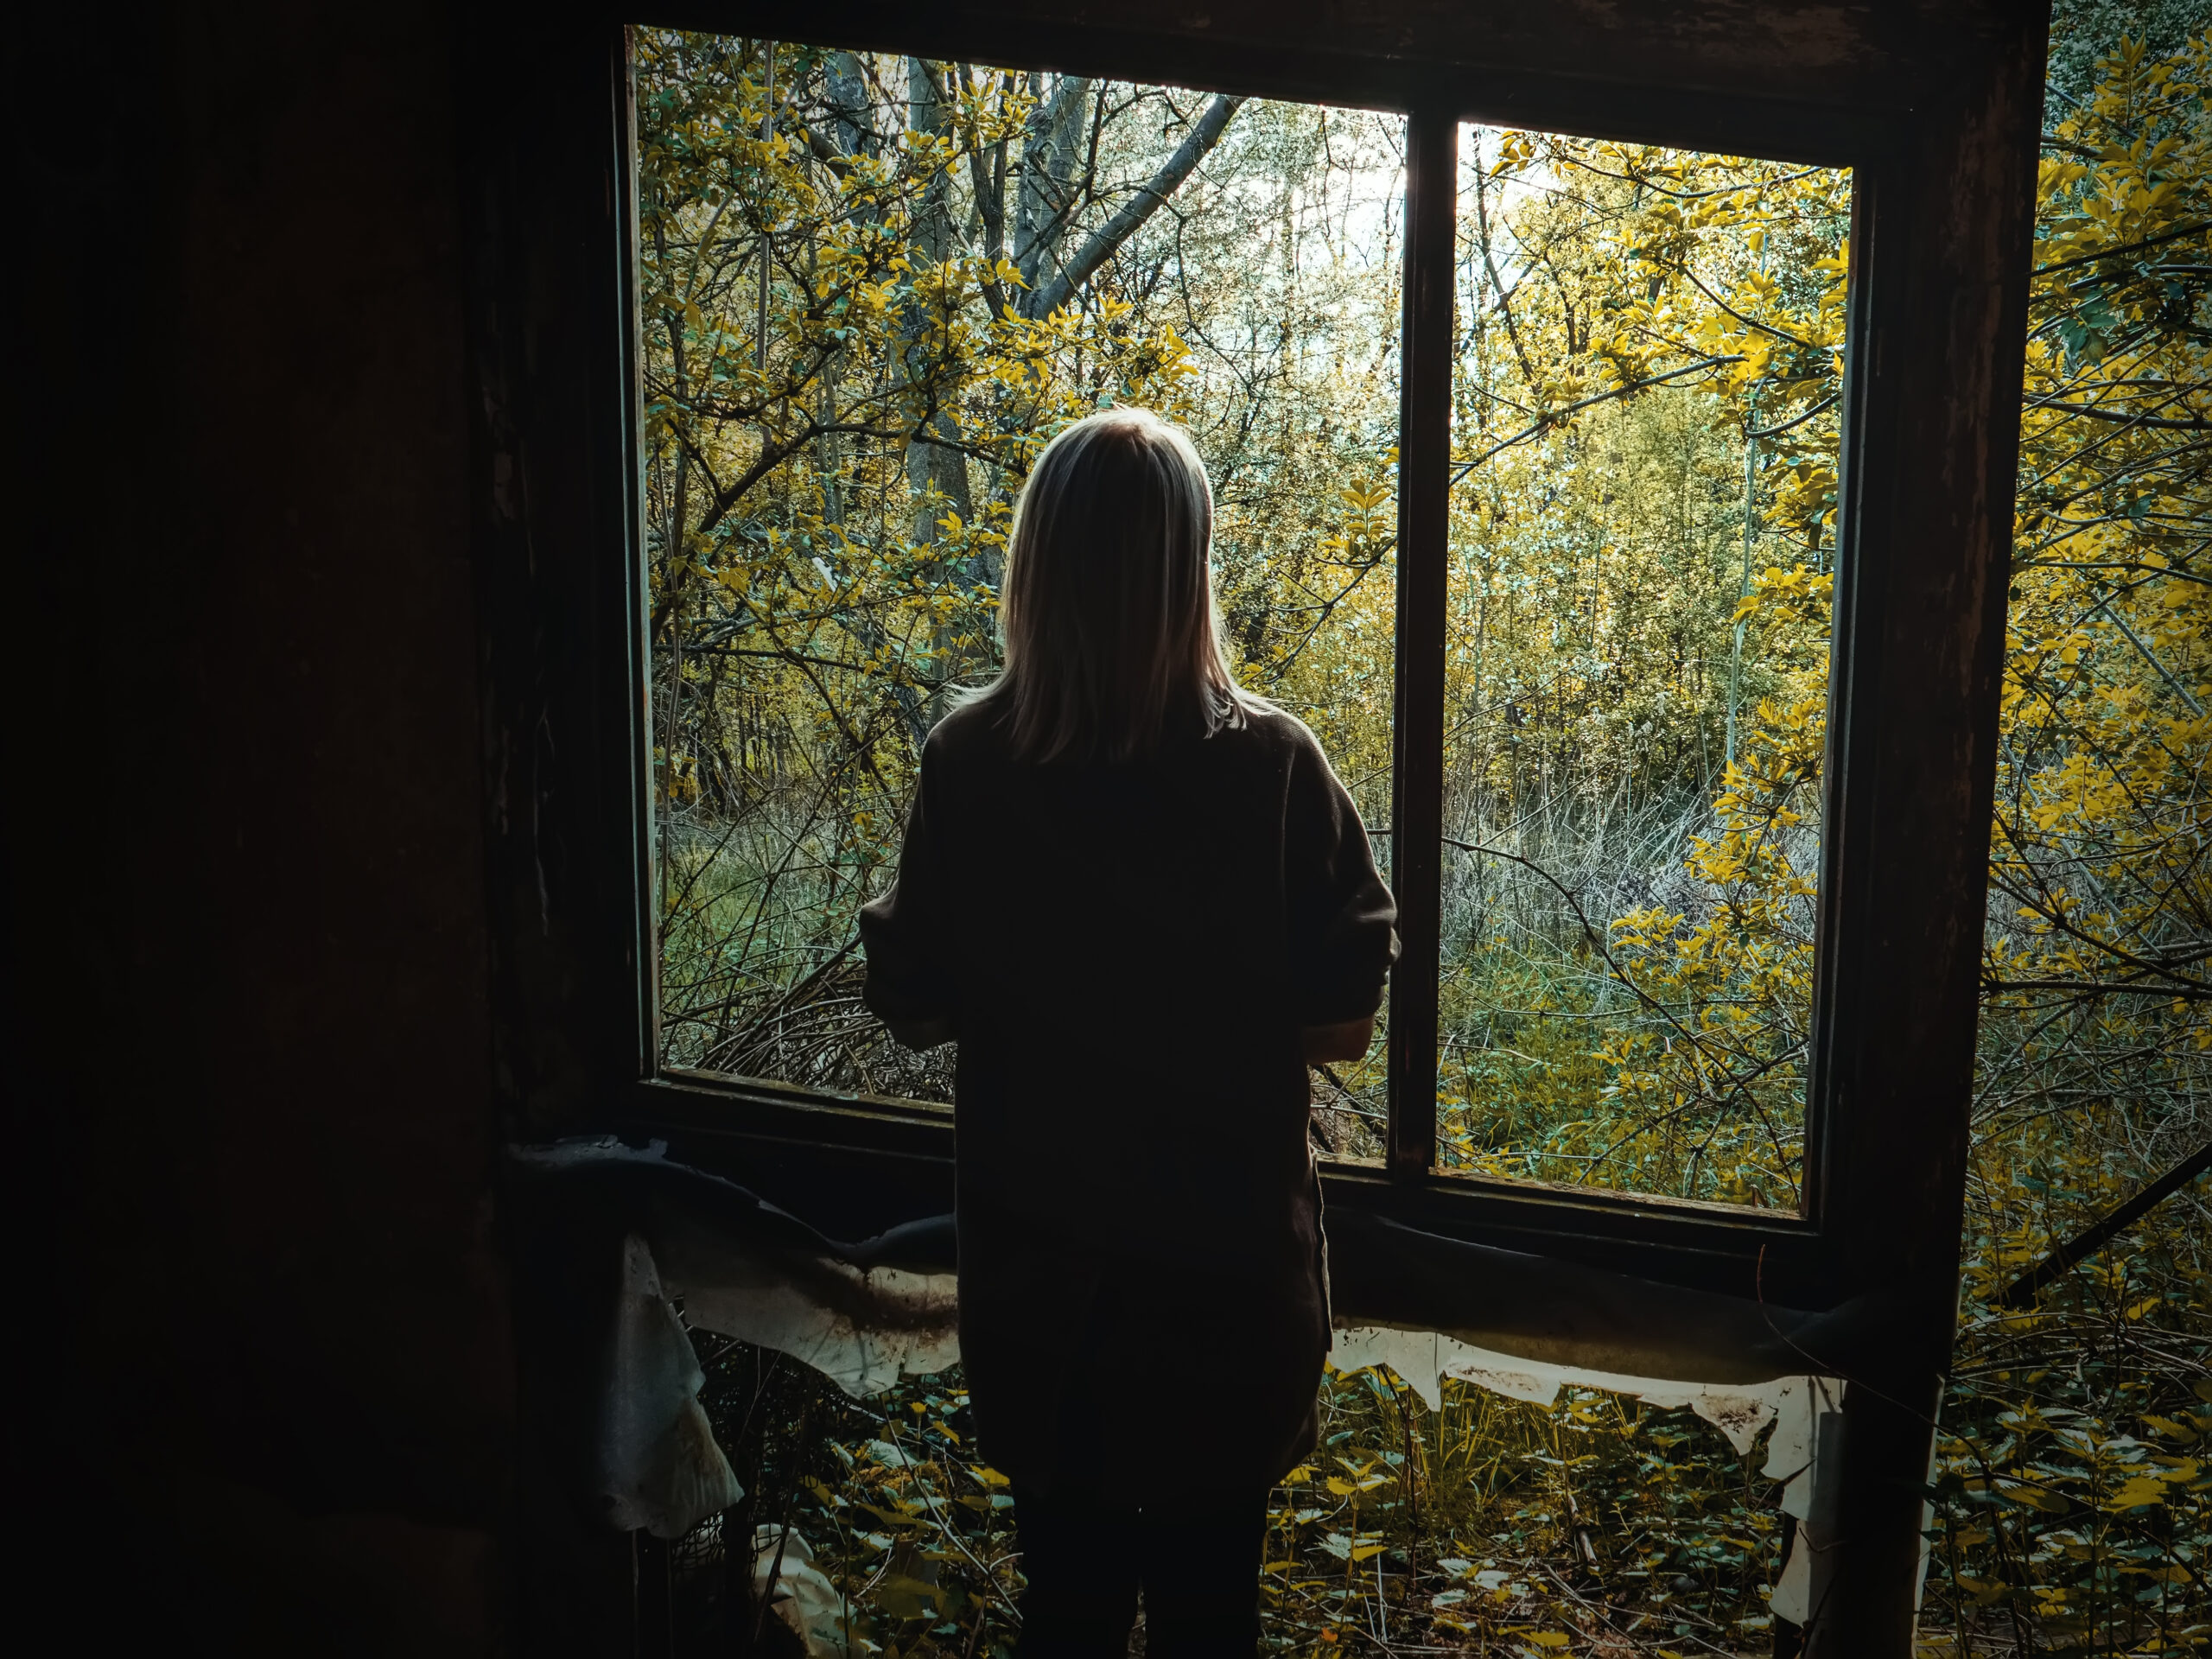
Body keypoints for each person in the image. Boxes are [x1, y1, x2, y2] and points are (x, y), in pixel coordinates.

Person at [859, 406, 1398, 1656]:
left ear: (1033, 565)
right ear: (1192, 567)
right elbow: (1343, 1019)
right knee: (1216, 1613)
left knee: (1069, 1610)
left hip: (1051, 1317)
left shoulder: (971, 763)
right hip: (1229, 1304)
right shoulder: (1275, 769)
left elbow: (913, 1001)